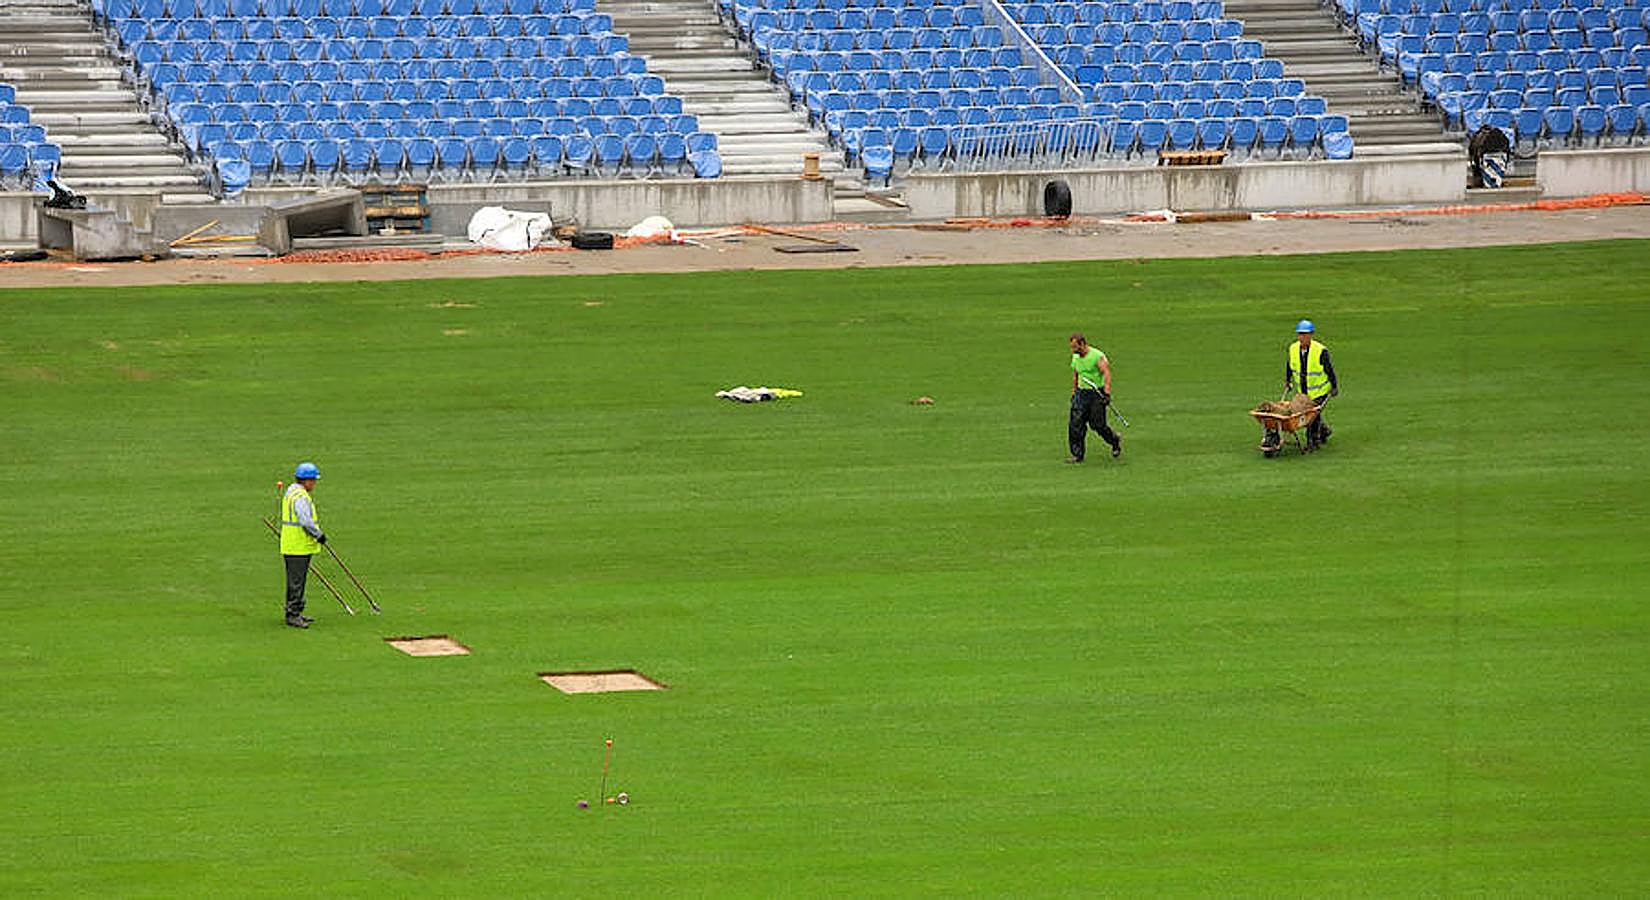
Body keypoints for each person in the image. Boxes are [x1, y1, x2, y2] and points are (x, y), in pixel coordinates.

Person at [1265, 319, 1339, 451]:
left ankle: (1313, 442)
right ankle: (1324, 431)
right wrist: (1288, 380)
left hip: (1319, 391)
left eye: (1305, 334)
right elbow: (1290, 365)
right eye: (1300, 334)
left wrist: (1334, 386)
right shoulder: (1293, 349)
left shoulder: (1320, 351)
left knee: (1311, 416)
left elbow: (1329, 369)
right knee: (1310, 415)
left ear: (1311, 335)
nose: (1302, 337)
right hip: (1303, 392)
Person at [280, 462, 327, 629]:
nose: (314, 483)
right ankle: (292, 615)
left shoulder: (291, 493)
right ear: (306, 480)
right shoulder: (300, 497)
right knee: (296, 582)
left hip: (294, 544)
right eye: (313, 480)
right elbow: (305, 521)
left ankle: (296, 611)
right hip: (297, 545)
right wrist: (318, 534)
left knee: (297, 580)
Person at [1067, 332, 1122, 464]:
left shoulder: (1097, 356)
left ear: (1083, 344)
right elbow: (1076, 374)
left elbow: (1106, 374)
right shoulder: (1076, 357)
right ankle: (1077, 454)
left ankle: (1114, 440)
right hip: (1081, 393)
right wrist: (1074, 392)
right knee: (1075, 424)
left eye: (1076, 347)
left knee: (1098, 425)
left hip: (1096, 394)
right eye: (1072, 347)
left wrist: (1107, 394)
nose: (1073, 350)